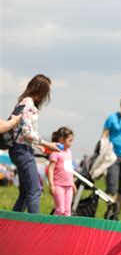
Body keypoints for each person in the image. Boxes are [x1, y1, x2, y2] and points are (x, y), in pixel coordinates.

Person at [9, 75, 61, 214]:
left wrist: (40, 147)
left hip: (18, 149)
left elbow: (19, 131)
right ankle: (36, 227)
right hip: (22, 151)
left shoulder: (22, 102)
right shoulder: (29, 104)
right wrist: (47, 144)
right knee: (35, 190)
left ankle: (12, 224)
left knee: (26, 192)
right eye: (46, 92)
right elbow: (26, 132)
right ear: (40, 90)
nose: (46, 97)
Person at [47, 127, 76, 216]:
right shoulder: (56, 152)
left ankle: (65, 229)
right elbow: (50, 169)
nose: (72, 143)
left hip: (69, 186)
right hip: (58, 185)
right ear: (62, 140)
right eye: (70, 141)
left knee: (67, 211)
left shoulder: (69, 152)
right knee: (60, 210)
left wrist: (72, 183)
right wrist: (51, 185)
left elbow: (69, 169)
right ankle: (53, 227)